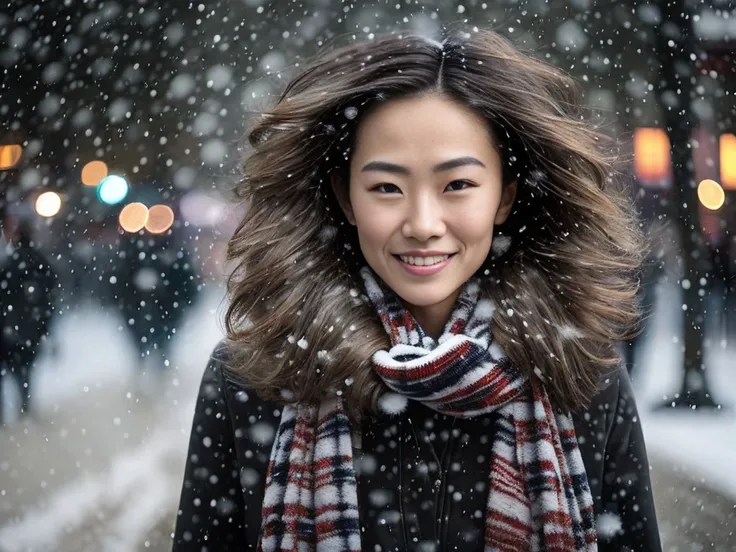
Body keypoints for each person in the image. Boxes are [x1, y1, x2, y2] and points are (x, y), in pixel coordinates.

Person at [173, 28, 662, 551]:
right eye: (387, 187)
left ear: (504, 197)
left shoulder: (578, 371)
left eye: (457, 185)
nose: (423, 223)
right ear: (345, 197)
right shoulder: (254, 379)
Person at [0, 216, 58, 426]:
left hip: (8, 326)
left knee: (10, 370)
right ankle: (24, 407)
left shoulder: (9, 263)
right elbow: (49, 299)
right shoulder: (40, 263)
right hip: (29, 328)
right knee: (24, 371)